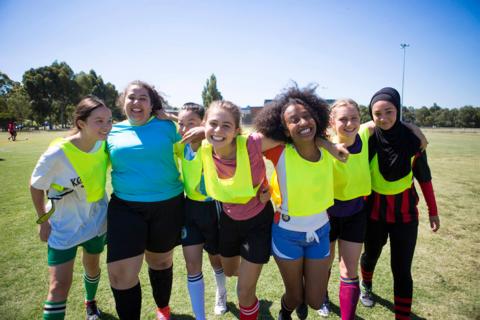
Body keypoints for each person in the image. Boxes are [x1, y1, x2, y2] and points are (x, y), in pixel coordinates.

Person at [254, 85, 336, 320]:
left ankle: (304, 294)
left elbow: (358, 127)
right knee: (295, 296)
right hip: (286, 233)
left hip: (320, 231)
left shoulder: (330, 147)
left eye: (307, 116)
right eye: (294, 120)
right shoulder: (279, 150)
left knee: (315, 300)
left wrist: (327, 143)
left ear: (317, 118)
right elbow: (243, 143)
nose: (303, 122)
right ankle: (285, 311)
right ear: (285, 131)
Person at [359, 87, 440, 319]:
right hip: (374, 213)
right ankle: (367, 286)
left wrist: (433, 212)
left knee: (402, 270)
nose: (383, 118)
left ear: (398, 110)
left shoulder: (414, 142)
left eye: (389, 111)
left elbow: (424, 179)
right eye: (377, 113)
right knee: (370, 255)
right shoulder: (369, 140)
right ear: (371, 115)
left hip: (405, 215)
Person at [106, 80, 184, 320]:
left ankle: (163, 308)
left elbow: (198, 149)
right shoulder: (110, 131)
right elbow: (88, 160)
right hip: (125, 207)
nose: (136, 103)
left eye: (143, 98)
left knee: (160, 262)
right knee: (120, 275)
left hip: (167, 205)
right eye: (131, 97)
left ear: (152, 105)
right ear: (123, 102)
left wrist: (174, 119)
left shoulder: (167, 128)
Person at [30, 96, 112, 320]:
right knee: (58, 286)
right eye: (99, 121)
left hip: (96, 219)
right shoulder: (58, 153)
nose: (106, 127)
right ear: (81, 123)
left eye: (109, 121)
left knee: (92, 267)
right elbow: (35, 186)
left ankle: (90, 302)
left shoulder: (104, 144)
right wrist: (43, 220)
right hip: (64, 224)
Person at [176, 103, 228, 319]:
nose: (185, 128)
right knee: (192, 264)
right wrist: (170, 118)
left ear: (204, 125)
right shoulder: (179, 147)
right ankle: (200, 316)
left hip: (214, 208)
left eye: (192, 123)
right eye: (181, 123)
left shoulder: (215, 145)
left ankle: (221, 293)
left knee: (216, 259)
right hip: (190, 209)